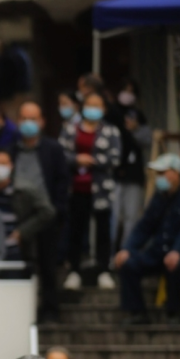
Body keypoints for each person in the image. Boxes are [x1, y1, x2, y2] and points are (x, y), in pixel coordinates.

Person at [12, 100, 70, 322]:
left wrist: (58, 210)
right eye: (24, 118)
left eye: (33, 118)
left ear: (42, 121)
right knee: (22, 265)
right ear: (18, 121)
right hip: (19, 216)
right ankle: (23, 311)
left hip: (47, 215)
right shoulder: (13, 148)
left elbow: (62, 181)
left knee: (48, 265)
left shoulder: (52, 149)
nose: (28, 123)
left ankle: (50, 309)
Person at [59, 91, 121, 291]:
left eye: (97, 105)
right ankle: (74, 270)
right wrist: (76, 160)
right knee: (76, 230)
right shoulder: (70, 129)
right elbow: (61, 154)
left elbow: (115, 157)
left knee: (103, 231)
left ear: (103, 109)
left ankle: (104, 270)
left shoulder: (111, 131)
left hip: (101, 189)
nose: (93, 109)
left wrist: (93, 161)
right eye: (89, 104)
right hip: (76, 188)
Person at [113, 153, 180, 324]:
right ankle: (137, 313)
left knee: (176, 266)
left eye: (163, 172)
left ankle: (174, 312)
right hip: (158, 251)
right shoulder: (159, 197)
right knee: (128, 264)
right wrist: (127, 249)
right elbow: (144, 227)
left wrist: (178, 251)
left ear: (175, 173)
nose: (159, 177)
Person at [0, 150, 55, 264]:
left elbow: (47, 212)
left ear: (11, 166)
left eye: (2, 164)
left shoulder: (24, 189)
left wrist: (22, 232)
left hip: (16, 249)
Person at [110, 79, 152, 249]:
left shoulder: (138, 116)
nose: (127, 95)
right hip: (113, 173)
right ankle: (109, 256)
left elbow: (147, 139)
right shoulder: (113, 114)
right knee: (112, 216)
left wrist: (134, 129)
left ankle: (126, 253)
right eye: (125, 90)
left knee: (131, 216)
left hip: (133, 175)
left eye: (131, 91)